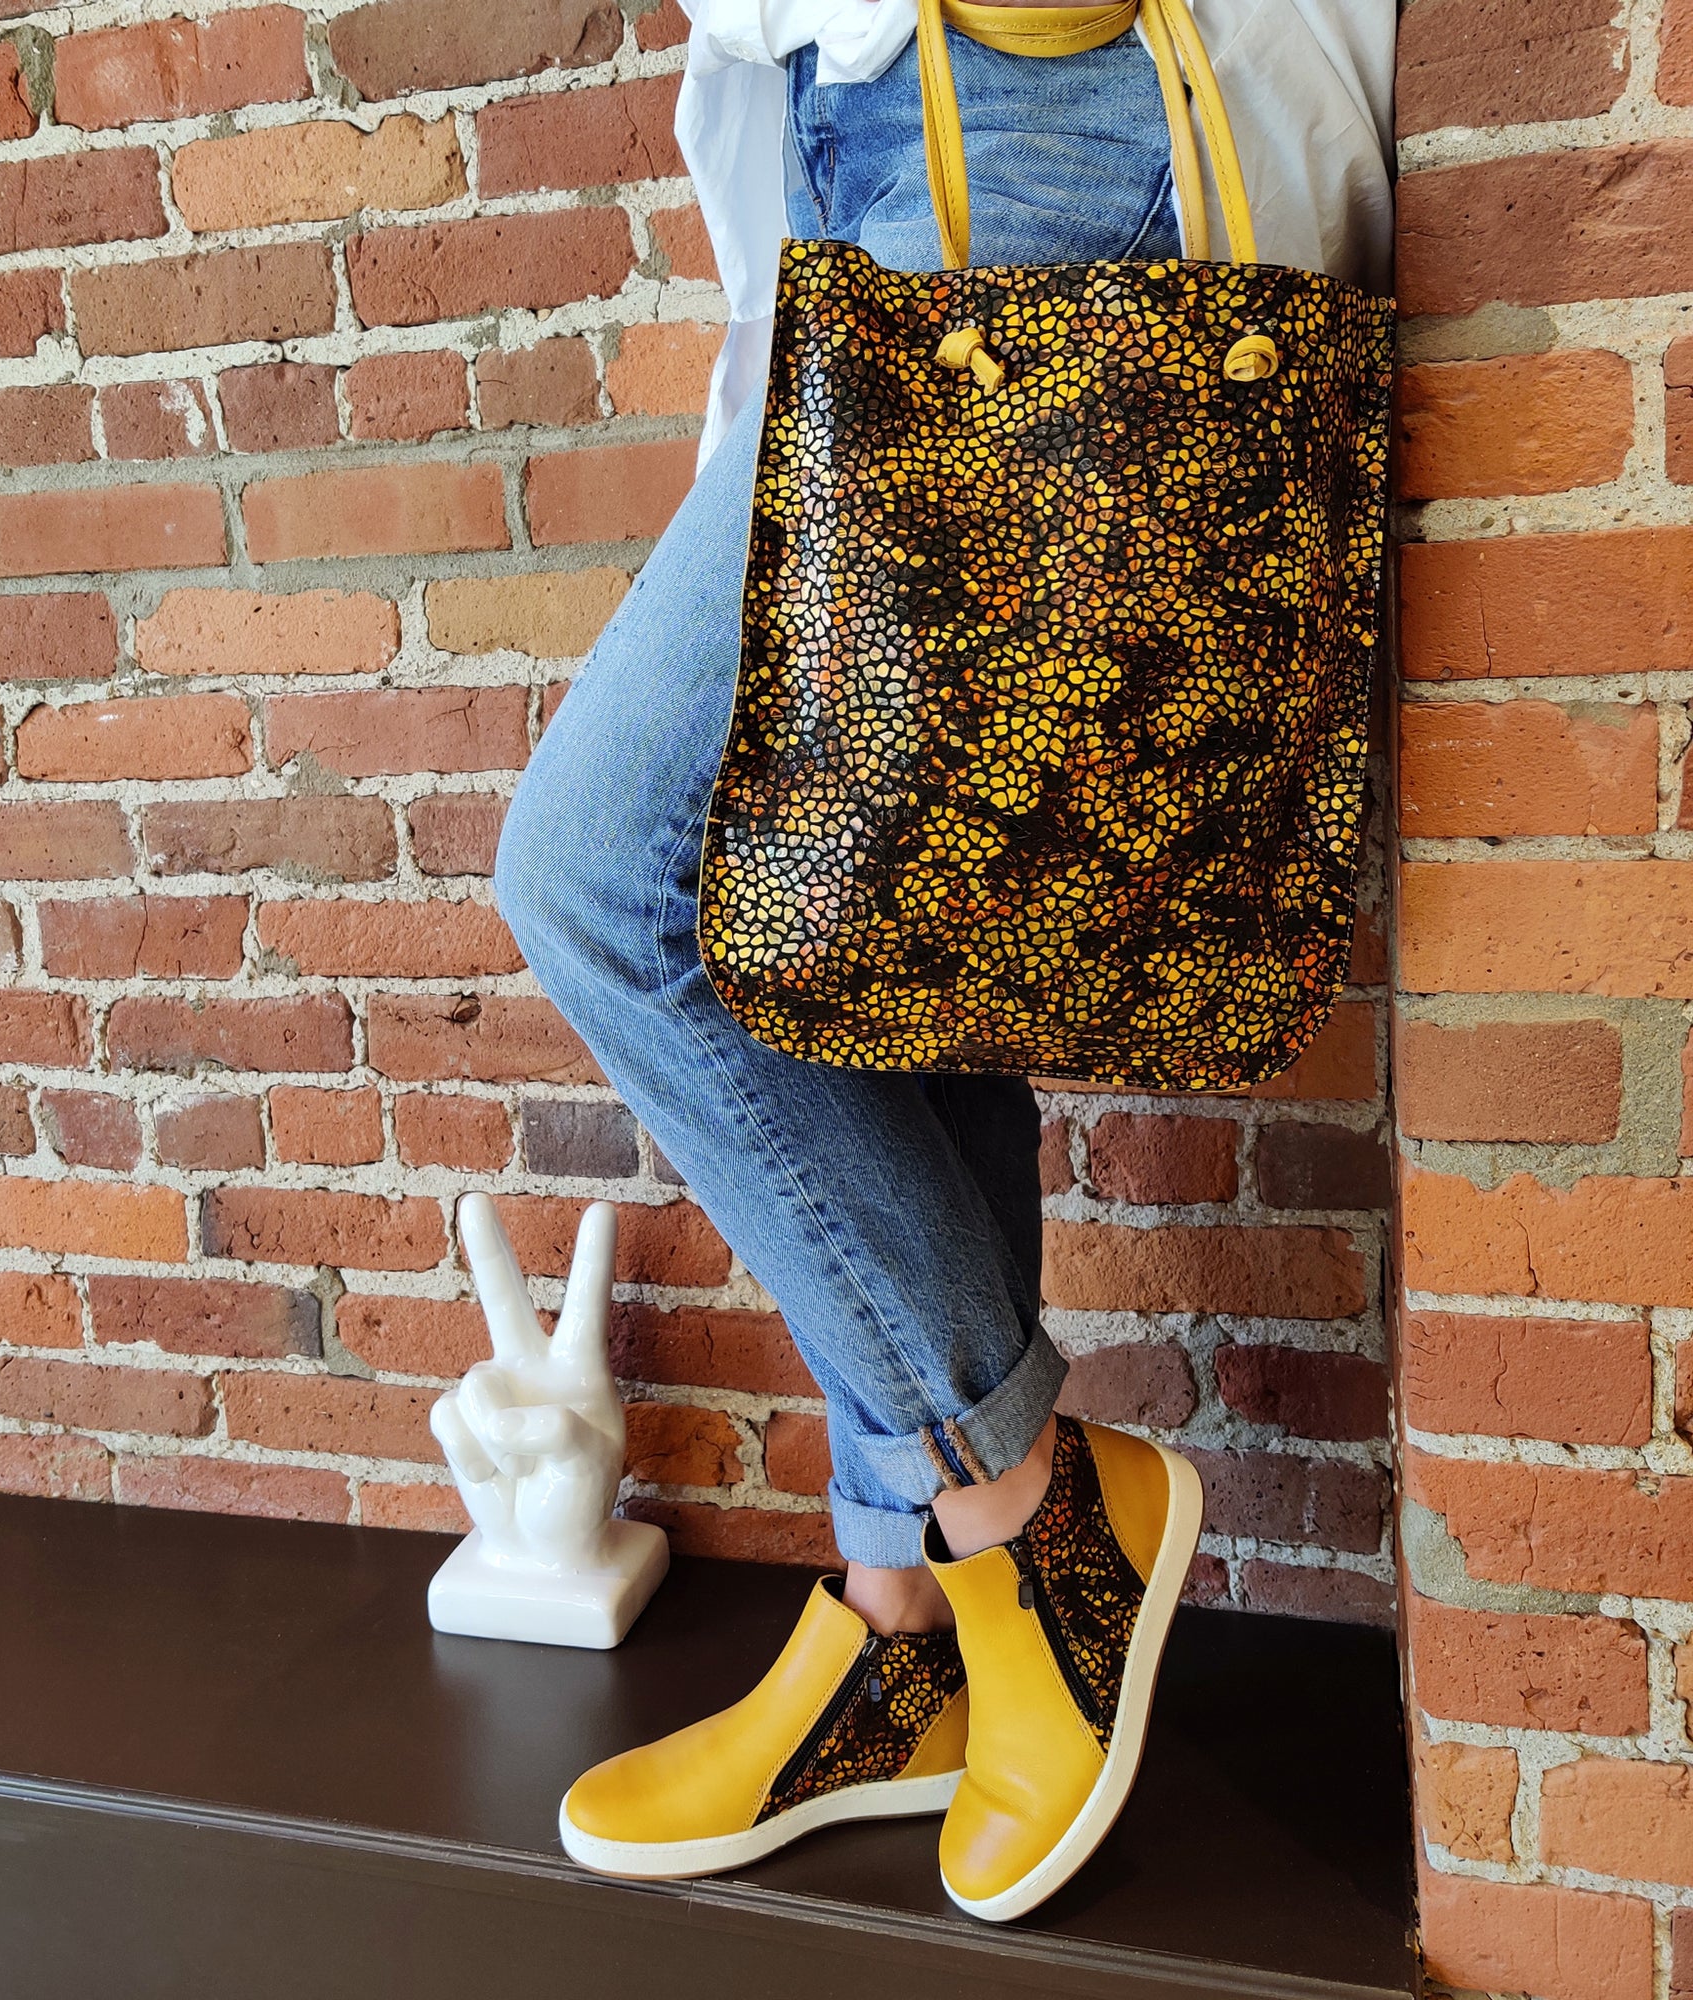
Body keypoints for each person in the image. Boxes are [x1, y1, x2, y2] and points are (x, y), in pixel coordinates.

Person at [493, 0, 1394, 1923]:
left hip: (1045, 99)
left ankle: (1029, 1504)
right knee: (887, 913)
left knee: (603, 883)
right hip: (843, 104)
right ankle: (904, 1624)